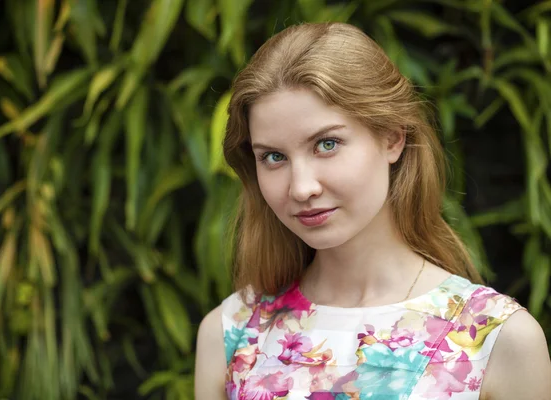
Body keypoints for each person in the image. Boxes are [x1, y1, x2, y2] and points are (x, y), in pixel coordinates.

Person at [194, 22, 551, 399]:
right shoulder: (231, 334)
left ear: (392, 138)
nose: (301, 187)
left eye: (326, 144)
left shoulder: (496, 340)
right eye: (274, 156)